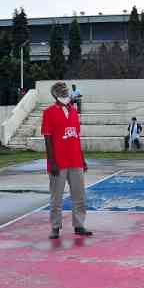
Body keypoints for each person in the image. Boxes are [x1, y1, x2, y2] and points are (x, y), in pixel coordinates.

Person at [41, 81, 92, 240]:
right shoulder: (49, 112)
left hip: (75, 160)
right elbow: (47, 139)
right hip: (58, 162)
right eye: (61, 92)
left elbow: (76, 137)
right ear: (55, 95)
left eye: (66, 91)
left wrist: (82, 159)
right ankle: (55, 227)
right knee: (56, 196)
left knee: (79, 195)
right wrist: (52, 161)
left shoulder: (74, 112)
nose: (65, 94)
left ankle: (79, 225)